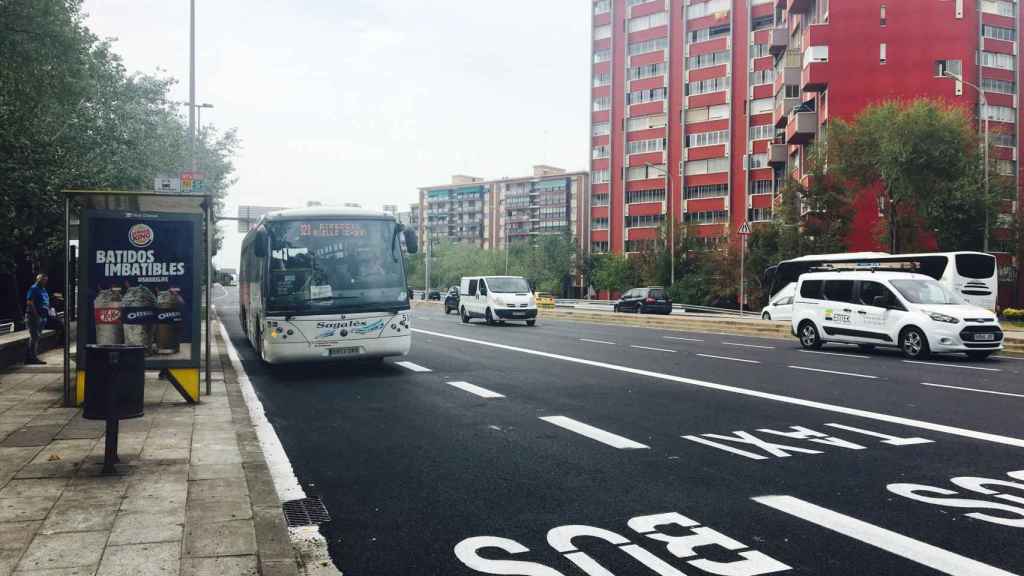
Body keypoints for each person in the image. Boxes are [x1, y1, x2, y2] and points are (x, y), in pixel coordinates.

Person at [24, 274, 49, 365]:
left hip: (42, 317)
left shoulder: (43, 289)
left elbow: (45, 301)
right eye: (42, 280)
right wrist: (36, 316)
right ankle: (32, 358)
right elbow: (30, 302)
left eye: (46, 280)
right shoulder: (33, 288)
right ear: (37, 279)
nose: (44, 281)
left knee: (36, 337)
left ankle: (29, 357)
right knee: (35, 337)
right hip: (34, 317)